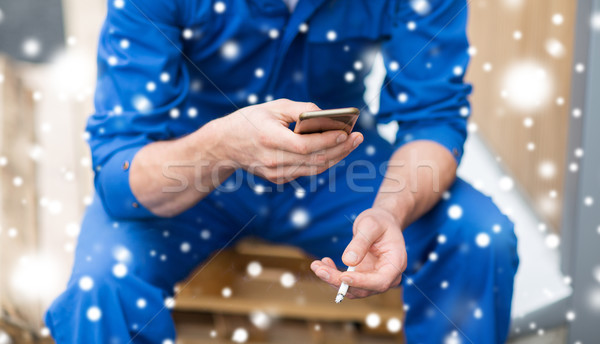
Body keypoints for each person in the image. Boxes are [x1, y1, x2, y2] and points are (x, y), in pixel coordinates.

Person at [45, 0, 518, 343]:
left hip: (338, 167)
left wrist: (390, 212)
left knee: (481, 236)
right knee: (99, 285)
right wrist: (221, 147)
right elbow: (118, 173)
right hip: (192, 164)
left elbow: (433, 118)